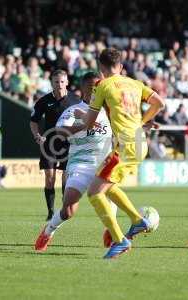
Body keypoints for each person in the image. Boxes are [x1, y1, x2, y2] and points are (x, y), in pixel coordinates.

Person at [77, 48, 165, 259]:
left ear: (101, 68)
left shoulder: (102, 85)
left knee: (94, 192)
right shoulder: (134, 83)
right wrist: (142, 123)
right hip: (139, 142)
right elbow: (159, 103)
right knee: (107, 186)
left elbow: (89, 123)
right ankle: (137, 221)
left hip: (126, 145)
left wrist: (81, 118)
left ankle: (120, 240)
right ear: (120, 66)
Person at [34, 72, 117, 251]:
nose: (98, 90)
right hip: (81, 163)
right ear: (84, 89)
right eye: (94, 87)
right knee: (69, 209)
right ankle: (48, 231)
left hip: (104, 164)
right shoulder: (72, 110)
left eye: (100, 86)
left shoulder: (110, 110)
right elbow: (60, 131)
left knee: (112, 198)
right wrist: (84, 125)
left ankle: (110, 231)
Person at [30, 69, 80, 220]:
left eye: (62, 82)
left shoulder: (75, 100)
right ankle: (51, 212)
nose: (59, 85)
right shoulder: (44, 101)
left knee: (66, 178)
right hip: (49, 143)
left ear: (67, 82)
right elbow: (33, 121)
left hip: (69, 143)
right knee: (50, 177)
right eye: (56, 82)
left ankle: (65, 210)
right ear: (51, 83)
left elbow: (84, 119)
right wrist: (37, 135)